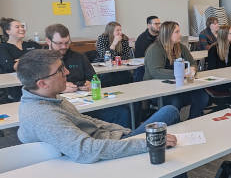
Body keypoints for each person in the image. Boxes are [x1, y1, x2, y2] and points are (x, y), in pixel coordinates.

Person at [14, 49, 185, 178]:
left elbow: (85, 120)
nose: (67, 72)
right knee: (166, 144)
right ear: (42, 83)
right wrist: (146, 143)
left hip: (111, 141)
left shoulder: (51, 97)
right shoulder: (43, 116)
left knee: (168, 113)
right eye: (60, 70)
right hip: (102, 156)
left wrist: (125, 133)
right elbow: (87, 150)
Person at [45, 24, 131, 127]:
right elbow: (33, 90)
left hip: (85, 102)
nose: (64, 47)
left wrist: (91, 84)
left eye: (67, 42)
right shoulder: (40, 61)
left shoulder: (79, 57)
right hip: (58, 107)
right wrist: (59, 89)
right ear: (48, 41)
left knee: (122, 112)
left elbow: (95, 79)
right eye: (59, 43)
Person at [144, 21, 210, 120]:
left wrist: (192, 69)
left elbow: (193, 63)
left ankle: (192, 120)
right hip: (157, 89)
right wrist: (181, 74)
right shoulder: (155, 49)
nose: (180, 34)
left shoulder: (180, 47)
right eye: (177, 32)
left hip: (177, 86)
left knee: (202, 96)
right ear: (168, 34)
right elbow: (156, 71)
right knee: (176, 101)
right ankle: (175, 125)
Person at [0, 18, 43, 105]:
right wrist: (31, 59)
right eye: (17, 27)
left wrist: (21, 60)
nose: (22, 29)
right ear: (8, 31)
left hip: (34, 85)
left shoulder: (32, 45)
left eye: (22, 26)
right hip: (11, 89)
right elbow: (12, 66)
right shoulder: (2, 48)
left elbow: (43, 62)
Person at [206, 25, 231, 107]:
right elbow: (212, 71)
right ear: (224, 35)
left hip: (229, 79)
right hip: (218, 81)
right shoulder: (214, 49)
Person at [95, 22, 134, 87]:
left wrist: (117, 60)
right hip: (104, 66)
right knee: (108, 78)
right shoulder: (102, 38)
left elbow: (126, 55)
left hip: (120, 66)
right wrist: (114, 44)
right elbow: (105, 57)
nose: (120, 32)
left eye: (120, 30)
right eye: (117, 30)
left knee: (128, 76)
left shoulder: (124, 38)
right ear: (111, 31)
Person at [132, 16, 161, 82]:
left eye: (159, 23)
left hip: (159, 64)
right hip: (145, 67)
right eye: (156, 24)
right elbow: (140, 57)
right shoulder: (142, 39)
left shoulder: (162, 36)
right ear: (148, 25)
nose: (159, 26)